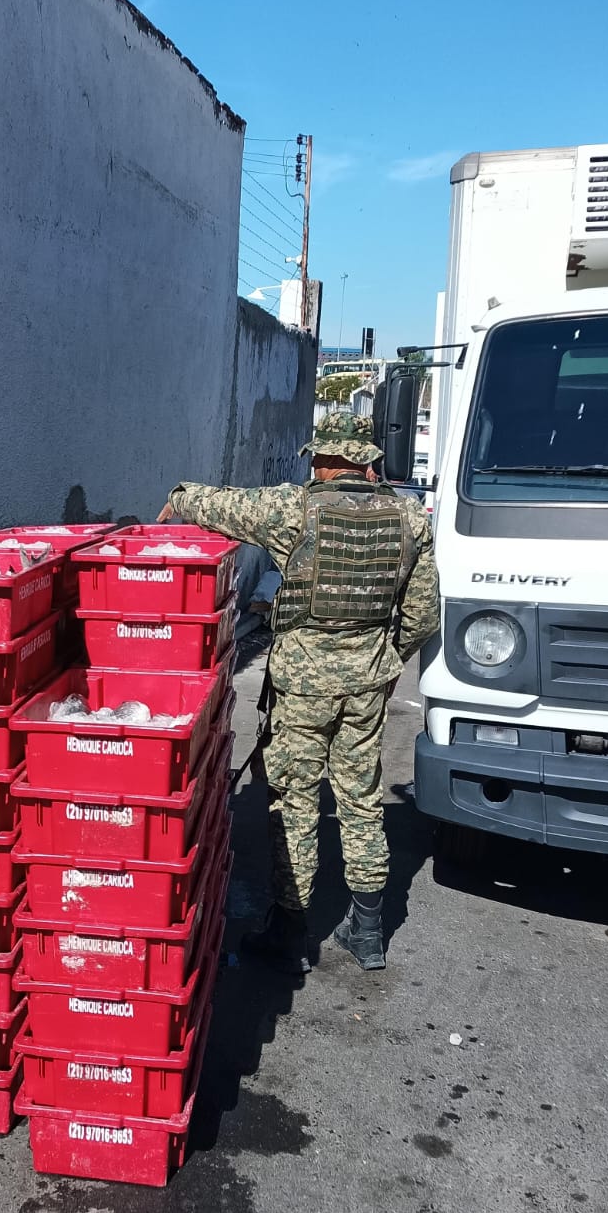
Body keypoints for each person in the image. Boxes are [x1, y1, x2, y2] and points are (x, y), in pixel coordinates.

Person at [158, 409, 439, 976]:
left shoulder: (295, 508)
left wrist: (178, 498)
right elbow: (422, 613)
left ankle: (289, 932)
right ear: (369, 463)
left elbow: (218, 505)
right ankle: (367, 932)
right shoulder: (411, 516)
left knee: (295, 800)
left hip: (303, 685)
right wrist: (381, 658)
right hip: (369, 682)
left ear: (326, 460)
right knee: (360, 798)